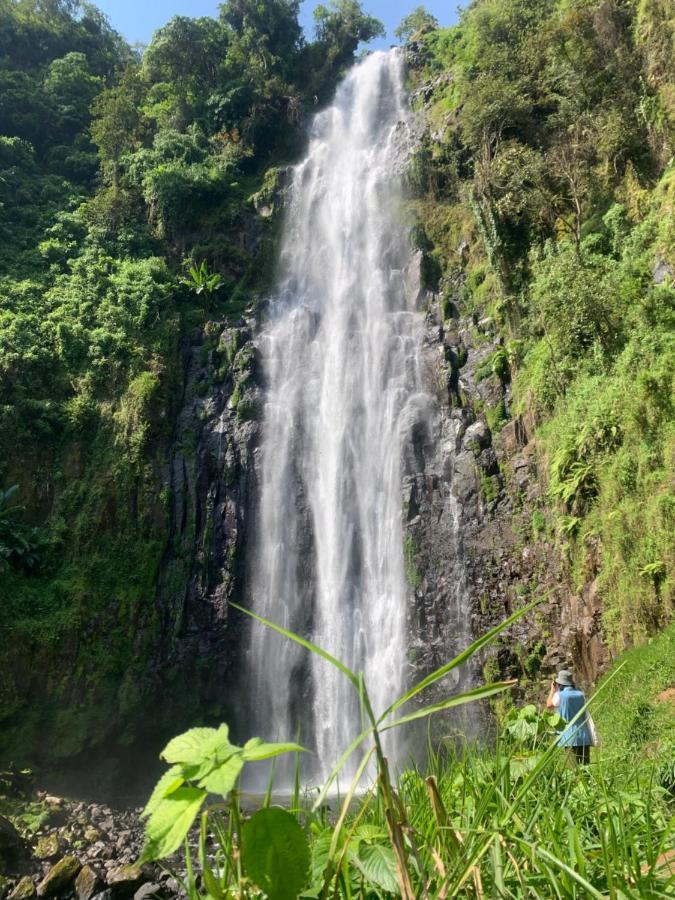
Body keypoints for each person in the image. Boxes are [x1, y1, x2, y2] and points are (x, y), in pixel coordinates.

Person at [546, 669, 592, 764]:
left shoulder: (559, 695)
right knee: (586, 767)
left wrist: (552, 690)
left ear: (560, 684)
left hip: (568, 737)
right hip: (583, 735)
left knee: (574, 768)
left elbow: (549, 705)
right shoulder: (581, 694)